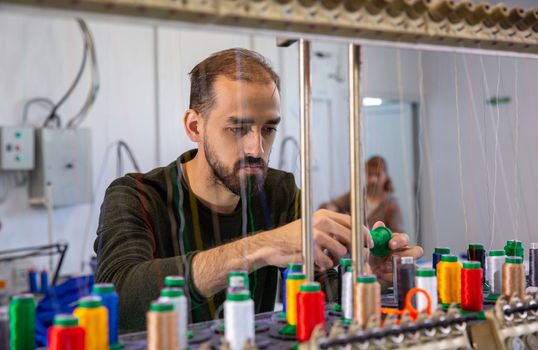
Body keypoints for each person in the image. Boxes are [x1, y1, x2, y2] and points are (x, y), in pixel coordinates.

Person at [94, 48, 422, 332]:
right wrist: (262, 246)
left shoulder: (279, 192)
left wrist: (368, 281)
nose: (257, 148)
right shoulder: (136, 196)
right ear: (195, 126)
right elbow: (120, 296)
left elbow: (320, 290)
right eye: (237, 128)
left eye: (268, 129)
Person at [320, 156, 405, 233]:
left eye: (377, 174)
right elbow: (334, 204)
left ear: (386, 176)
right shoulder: (356, 195)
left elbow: (397, 233)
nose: (373, 179)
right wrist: (331, 208)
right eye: (370, 174)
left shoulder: (391, 205)